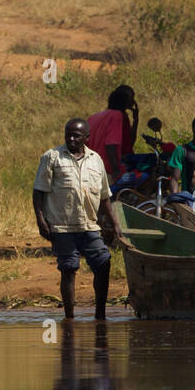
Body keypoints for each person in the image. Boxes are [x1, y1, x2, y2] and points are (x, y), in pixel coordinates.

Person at [33, 118, 119, 321]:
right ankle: (69, 319)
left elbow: (105, 196)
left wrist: (114, 223)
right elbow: (38, 191)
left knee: (103, 263)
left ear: (86, 138)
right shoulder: (52, 157)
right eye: (68, 134)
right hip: (62, 226)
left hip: (89, 225)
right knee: (69, 268)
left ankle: (100, 316)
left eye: (76, 135)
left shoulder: (96, 160)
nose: (71, 139)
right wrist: (41, 220)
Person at [87, 84, 137, 181]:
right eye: (131, 98)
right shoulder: (118, 116)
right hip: (108, 169)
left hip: (91, 167)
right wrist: (116, 171)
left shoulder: (94, 117)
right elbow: (112, 144)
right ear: (125, 100)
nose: (133, 101)